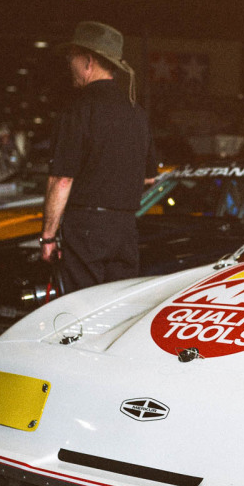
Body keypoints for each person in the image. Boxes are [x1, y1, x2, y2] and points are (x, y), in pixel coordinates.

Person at [40, 21, 156, 291]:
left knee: (81, 311)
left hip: (86, 231)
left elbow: (62, 180)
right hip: (126, 230)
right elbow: (150, 178)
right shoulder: (137, 113)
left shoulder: (77, 111)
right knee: (116, 309)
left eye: (72, 57)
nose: (69, 63)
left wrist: (47, 237)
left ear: (88, 61)